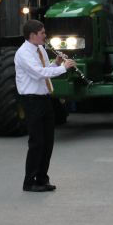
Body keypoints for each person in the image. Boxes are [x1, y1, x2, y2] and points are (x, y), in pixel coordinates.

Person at [14, 19, 75, 192]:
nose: (45, 36)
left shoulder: (39, 48)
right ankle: (29, 181)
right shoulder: (23, 53)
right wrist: (63, 68)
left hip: (45, 98)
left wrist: (55, 63)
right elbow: (39, 73)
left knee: (48, 141)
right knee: (37, 142)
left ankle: (42, 178)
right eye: (42, 33)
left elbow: (45, 67)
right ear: (33, 35)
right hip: (31, 100)